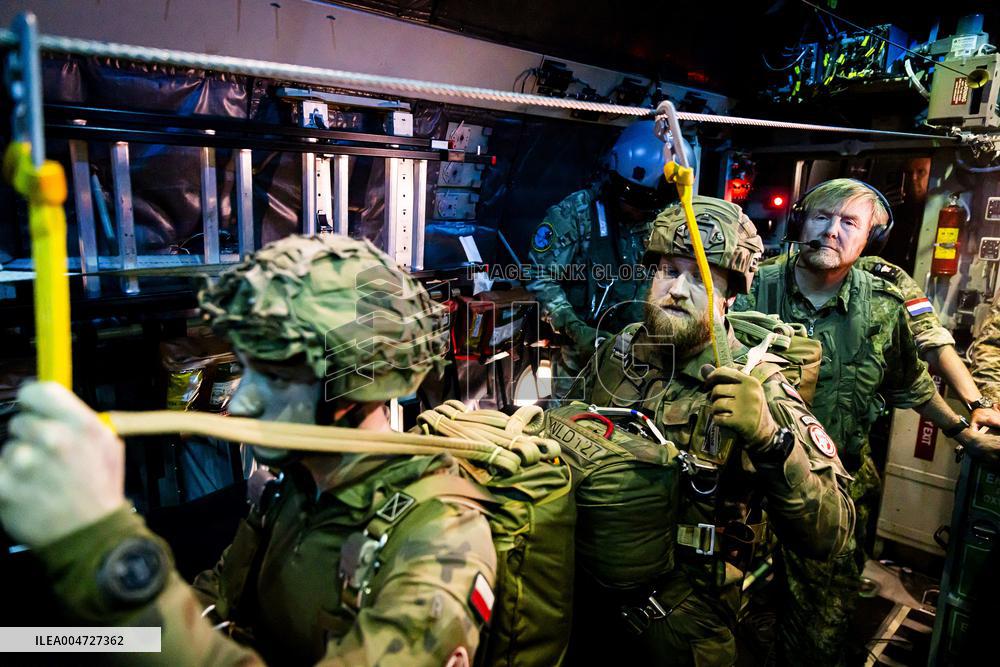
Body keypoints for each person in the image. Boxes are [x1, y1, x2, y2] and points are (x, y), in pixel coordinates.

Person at [0, 235, 497, 666]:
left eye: (275, 377)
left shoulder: (440, 540)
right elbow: (213, 606)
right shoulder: (290, 488)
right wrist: (49, 643)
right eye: (246, 370)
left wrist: (110, 555)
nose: (240, 403)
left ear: (354, 387)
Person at [564, 195, 855, 666]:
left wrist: (769, 439)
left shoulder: (755, 384)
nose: (677, 290)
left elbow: (831, 533)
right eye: (668, 271)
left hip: (680, 622)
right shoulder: (619, 352)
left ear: (729, 297)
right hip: (588, 595)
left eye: (699, 277)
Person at [733, 178, 1000, 664]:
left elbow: (912, 385)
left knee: (820, 634)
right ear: (801, 223)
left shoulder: (882, 305)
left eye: (849, 223)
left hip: (836, 487)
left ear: (870, 239)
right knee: (734, 610)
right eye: (822, 217)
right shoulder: (751, 289)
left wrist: (964, 427)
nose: (832, 231)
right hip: (751, 484)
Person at [526, 119, 689, 397]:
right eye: (631, 200)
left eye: (647, 203)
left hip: (643, 354)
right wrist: (574, 328)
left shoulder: (669, 220)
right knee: (568, 416)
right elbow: (540, 276)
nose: (637, 211)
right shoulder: (577, 213)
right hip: (580, 354)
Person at [856, 256, 1000, 431]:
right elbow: (992, 346)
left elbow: (929, 334)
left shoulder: (882, 275)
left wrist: (980, 404)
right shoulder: (869, 273)